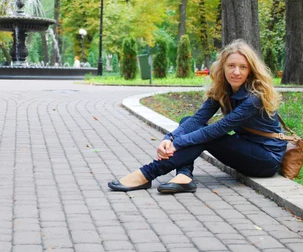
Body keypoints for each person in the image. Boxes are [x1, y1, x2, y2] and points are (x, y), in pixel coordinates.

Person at [108, 39, 286, 194]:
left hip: (266, 159)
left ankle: (147, 174)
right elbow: (198, 119)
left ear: (250, 70)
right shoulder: (222, 90)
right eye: (231, 66)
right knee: (188, 121)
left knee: (209, 135)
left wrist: (176, 144)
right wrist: (169, 138)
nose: (236, 72)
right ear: (223, 67)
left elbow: (219, 128)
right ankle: (184, 176)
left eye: (243, 67)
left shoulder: (255, 97)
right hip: (245, 148)